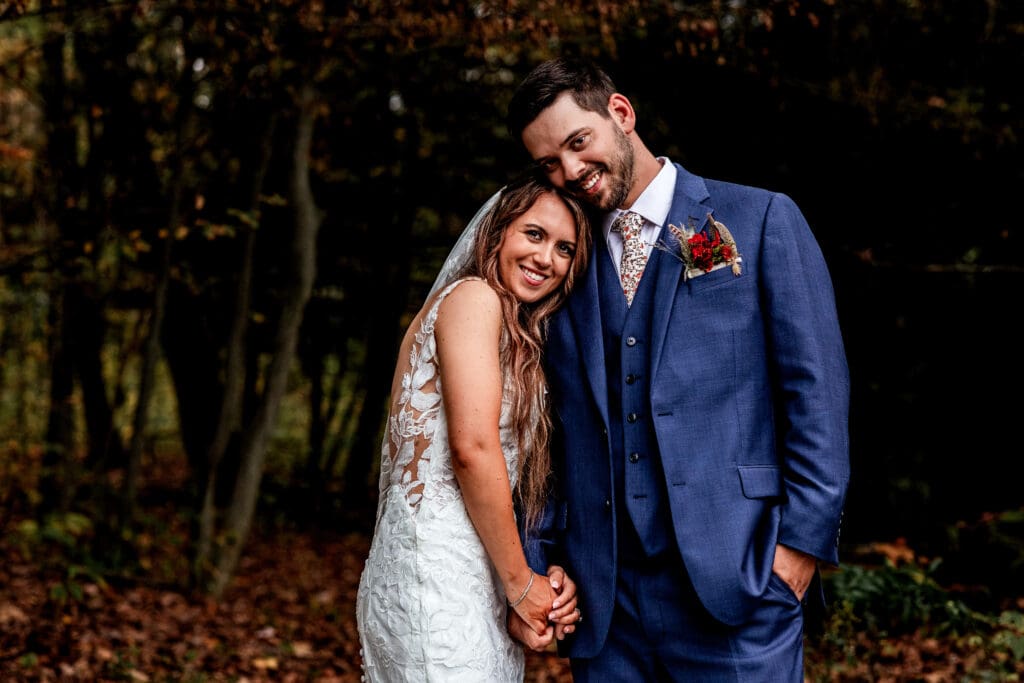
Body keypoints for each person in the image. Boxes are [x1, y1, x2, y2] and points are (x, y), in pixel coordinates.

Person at [503, 58, 851, 681]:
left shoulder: (760, 219)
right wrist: (541, 557)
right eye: (549, 163)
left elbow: (815, 394)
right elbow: (547, 426)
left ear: (621, 113)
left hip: (739, 584)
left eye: (578, 143)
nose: (570, 172)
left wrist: (798, 550)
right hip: (605, 604)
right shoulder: (559, 260)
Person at [355, 172, 591, 682]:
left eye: (565, 249)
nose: (546, 258)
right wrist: (522, 585)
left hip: (471, 577)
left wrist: (528, 578)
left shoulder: (508, 330)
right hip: (436, 580)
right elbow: (473, 450)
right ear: (498, 230)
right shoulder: (474, 299)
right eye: (534, 234)